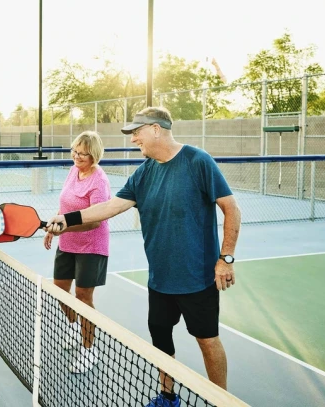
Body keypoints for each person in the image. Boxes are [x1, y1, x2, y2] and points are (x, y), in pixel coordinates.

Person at [45, 107, 241, 407]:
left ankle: (223, 401)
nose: (134, 138)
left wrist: (225, 258)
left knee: (207, 340)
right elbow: (109, 207)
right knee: (161, 344)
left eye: (137, 132)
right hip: (159, 280)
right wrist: (67, 219)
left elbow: (231, 208)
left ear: (155, 129)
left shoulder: (197, 161)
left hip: (197, 278)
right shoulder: (144, 172)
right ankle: (167, 396)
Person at [43, 131, 110, 374]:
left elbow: (95, 220)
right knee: (60, 290)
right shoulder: (73, 170)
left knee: (83, 297)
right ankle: (73, 328)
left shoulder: (99, 181)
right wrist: (54, 227)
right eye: (75, 151)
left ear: (94, 155)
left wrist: (65, 226)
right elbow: (64, 206)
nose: (77, 156)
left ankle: (89, 349)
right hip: (67, 242)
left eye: (83, 153)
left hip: (92, 245)